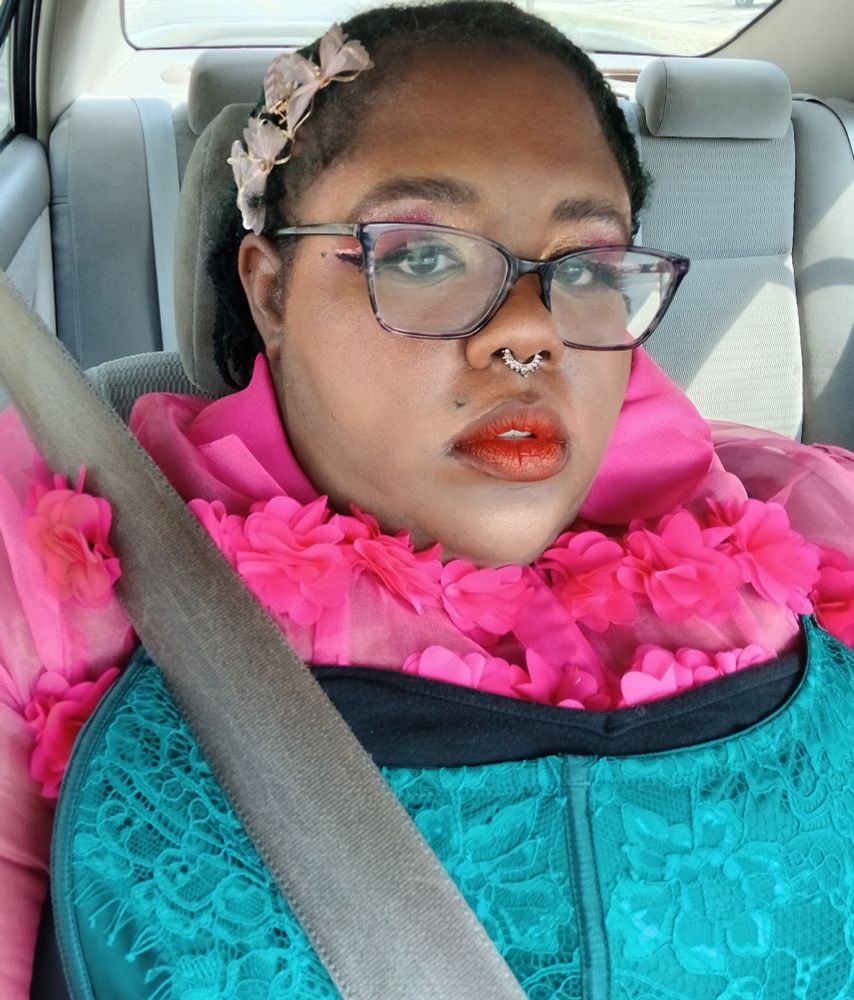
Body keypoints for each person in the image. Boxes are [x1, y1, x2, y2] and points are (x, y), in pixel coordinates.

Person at [2, 2, 854, 996]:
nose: (526, 334)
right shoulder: (67, 571)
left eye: (580, 266)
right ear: (269, 291)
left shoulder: (804, 515)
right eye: (420, 255)